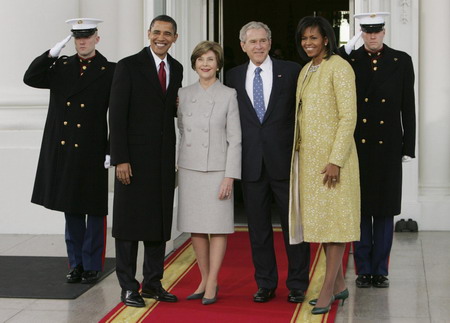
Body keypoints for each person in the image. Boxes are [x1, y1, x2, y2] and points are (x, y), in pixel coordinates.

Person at [23, 18, 114, 285]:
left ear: (97, 37)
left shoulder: (110, 70)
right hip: (65, 149)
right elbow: (30, 78)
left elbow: (118, 114)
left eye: (87, 36)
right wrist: (51, 53)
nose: (81, 41)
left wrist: (112, 149)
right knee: (71, 208)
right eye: (77, 37)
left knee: (95, 210)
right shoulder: (61, 66)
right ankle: (76, 264)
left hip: (93, 149)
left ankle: (92, 265)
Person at [226, 21, 310, 303]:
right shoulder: (232, 77)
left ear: (270, 42)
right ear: (243, 46)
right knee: (258, 230)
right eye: (252, 42)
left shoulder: (292, 71)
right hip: (250, 163)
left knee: (293, 227)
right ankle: (265, 283)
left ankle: (297, 283)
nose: (258, 46)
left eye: (263, 41)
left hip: (285, 161)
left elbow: (304, 113)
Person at [109, 15, 183, 307]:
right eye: (157, 32)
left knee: (158, 224)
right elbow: (116, 115)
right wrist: (121, 159)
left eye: (167, 33)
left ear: (175, 38)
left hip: (163, 160)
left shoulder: (175, 69)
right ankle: (128, 286)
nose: (161, 38)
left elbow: (169, 110)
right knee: (128, 226)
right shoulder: (128, 66)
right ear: (148, 33)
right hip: (133, 161)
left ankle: (153, 282)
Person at [337, 12, 416, 289]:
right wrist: (345, 48)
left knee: (384, 209)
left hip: (388, 144)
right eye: (367, 31)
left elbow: (408, 105)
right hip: (358, 144)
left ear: (384, 32)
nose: (372, 36)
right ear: (361, 33)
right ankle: (363, 269)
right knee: (360, 208)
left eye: (376, 31)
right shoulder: (350, 59)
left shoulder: (401, 60)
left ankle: (380, 269)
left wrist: (409, 145)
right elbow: (330, 64)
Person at [289, 16, 360, 315]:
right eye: (304, 38)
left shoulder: (340, 67)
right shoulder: (306, 70)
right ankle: (340, 283)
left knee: (335, 227)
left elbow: (348, 117)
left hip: (334, 163)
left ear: (327, 39)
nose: (308, 43)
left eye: (313, 38)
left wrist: (335, 160)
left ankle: (327, 290)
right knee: (321, 225)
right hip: (309, 161)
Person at [177, 41, 242, 305]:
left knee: (216, 228)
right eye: (201, 59)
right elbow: (181, 131)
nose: (205, 64)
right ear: (194, 63)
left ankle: (213, 280)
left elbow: (235, 138)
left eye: (210, 59)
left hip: (218, 169)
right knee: (195, 228)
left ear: (218, 65)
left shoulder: (229, 94)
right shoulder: (183, 93)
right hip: (190, 167)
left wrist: (230, 175)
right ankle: (203, 279)